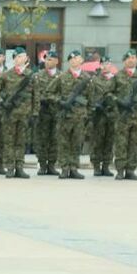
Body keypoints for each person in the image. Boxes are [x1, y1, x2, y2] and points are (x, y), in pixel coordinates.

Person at [50, 50, 89, 179]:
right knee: (63, 143)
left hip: (80, 117)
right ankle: (64, 168)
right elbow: (49, 93)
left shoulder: (87, 79)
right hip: (65, 116)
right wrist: (61, 102)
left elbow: (92, 97)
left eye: (76, 58)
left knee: (77, 143)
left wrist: (88, 112)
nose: (74, 60)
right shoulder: (61, 77)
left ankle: (74, 168)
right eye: (71, 59)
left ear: (81, 60)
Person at [0, 47, 35, 179]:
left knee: (21, 141)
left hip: (25, 114)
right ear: (14, 59)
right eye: (19, 56)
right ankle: (10, 167)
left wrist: (34, 113)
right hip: (10, 114)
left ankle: (19, 167)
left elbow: (35, 96)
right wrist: (2, 102)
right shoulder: (6, 75)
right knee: (9, 141)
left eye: (24, 56)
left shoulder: (31, 75)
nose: (22, 58)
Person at [111, 49, 137, 181]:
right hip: (122, 117)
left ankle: (130, 170)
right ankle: (120, 170)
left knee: (134, 144)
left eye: (134, 57)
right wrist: (119, 101)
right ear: (124, 61)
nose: (132, 60)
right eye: (129, 58)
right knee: (121, 144)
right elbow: (108, 93)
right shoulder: (117, 76)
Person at [31, 49, 60, 175]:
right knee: (41, 139)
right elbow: (35, 93)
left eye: (50, 59)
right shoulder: (38, 75)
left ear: (56, 61)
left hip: (56, 112)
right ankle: (42, 165)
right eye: (46, 59)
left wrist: (54, 99)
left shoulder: (61, 76)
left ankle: (52, 165)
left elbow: (63, 93)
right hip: (42, 112)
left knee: (55, 139)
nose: (47, 62)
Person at [87, 58, 117, 176]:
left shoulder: (116, 79)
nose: (106, 66)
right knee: (97, 141)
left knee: (109, 141)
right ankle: (96, 166)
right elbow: (90, 96)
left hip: (112, 115)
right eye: (104, 64)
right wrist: (95, 105)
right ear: (100, 65)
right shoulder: (94, 80)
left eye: (108, 64)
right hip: (98, 116)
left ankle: (106, 166)